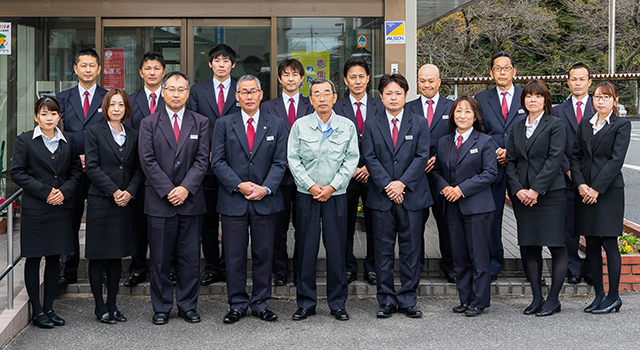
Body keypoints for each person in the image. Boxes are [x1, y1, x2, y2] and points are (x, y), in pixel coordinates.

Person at [211, 75, 288, 324]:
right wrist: (239, 185)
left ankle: (261, 302)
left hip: (265, 200)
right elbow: (218, 161)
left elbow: (280, 162)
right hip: (234, 200)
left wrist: (265, 188)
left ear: (261, 94)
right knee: (233, 254)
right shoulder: (223, 124)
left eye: (253, 91)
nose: (249, 96)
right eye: (244, 92)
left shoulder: (276, 124)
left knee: (264, 253)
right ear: (237, 97)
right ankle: (237, 303)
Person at [138, 72, 210, 325]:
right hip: (160, 202)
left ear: (188, 93)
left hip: (190, 201)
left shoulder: (200, 122)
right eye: (171, 89)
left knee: (190, 258)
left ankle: (188, 305)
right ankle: (161, 306)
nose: (176, 94)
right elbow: (147, 160)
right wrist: (169, 189)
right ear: (163, 92)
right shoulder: (149, 123)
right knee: (159, 259)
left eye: (181, 89)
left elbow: (203, 161)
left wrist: (185, 188)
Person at [287, 78, 359, 321]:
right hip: (307, 195)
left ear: (335, 97)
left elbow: (351, 160)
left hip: (336, 195)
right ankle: (306, 303)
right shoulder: (300, 125)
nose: (322, 98)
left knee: (337, 250)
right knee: (306, 250)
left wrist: (332, 186)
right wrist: (310, 185)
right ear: (310, 100)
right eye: (317, 94)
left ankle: (337, 303)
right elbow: (293, 159)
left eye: (327, 93)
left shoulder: (347, 126)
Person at [362, 73, 431, 319]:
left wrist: (401, 184)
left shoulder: (420, 123)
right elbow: (369, 157)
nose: (393, 97)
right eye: (388, 93)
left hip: (412, 196)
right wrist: (388, 185)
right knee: (382, 250)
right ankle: (386, 300)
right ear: (380, 97)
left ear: (405, 95)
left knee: (411, 250)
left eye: (398, 93)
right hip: (381, 197)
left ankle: (408, 299)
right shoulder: (371, 124)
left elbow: (422, 156)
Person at [11, 97, 82, 328]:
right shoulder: (25, 140)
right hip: (36, 208)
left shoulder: (68, 140)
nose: (48, 118)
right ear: (36, 117)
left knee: (54, 260)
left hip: (60, 207)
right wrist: (46, 192)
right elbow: (18, 173)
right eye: (43, 114)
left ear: (59, 116)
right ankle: (37, 310)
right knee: (33, 258)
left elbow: (75, 173)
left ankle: (49, 307)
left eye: (53, 114)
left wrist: (64, 192)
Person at [505, 80, 567, 316]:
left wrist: (536, 190)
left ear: (545, 100)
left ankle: (553, 299)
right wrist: (519, 189)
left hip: (550, 195)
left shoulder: (556, 125)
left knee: (556, 245)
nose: (533, 100)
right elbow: (511, 161)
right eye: (528, 96)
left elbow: (554, 160)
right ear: (523, 101)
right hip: (522, 196)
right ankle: (536, 297)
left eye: (538, 96)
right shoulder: (517, 127)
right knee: (529, 246)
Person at [432, 95, 498, 317]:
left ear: (476, 116)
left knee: (478, 256)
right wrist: (446, 188)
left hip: (477, 208)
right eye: (458, 111)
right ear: (452, 115)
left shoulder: (485, 141)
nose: (462, 116)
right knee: (459, 256)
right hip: (452, 206)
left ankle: (479, 301)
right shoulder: (444, 142)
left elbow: (490, 173)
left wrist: (461, 189)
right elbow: (437, 171)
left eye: (468, 111)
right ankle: (465, 298)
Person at [570, 81, 631, 314]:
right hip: (585, 192)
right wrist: (581, 185)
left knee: (608, 242)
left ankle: (614, 297)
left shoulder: (621, 125)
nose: (600, 101)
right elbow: (575, 156)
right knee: (592, 244)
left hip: (608, 193)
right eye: (597, 97)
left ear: (615, 101)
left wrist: (596, 189)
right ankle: (599, 296)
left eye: (606, 97)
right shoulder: (585, 123)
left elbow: (616, 161)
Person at [84, 89, 143, 323]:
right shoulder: (93, 132)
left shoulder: (134, 134)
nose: (116, 109)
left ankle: (113, 304)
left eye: (121, 105)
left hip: (124, 203)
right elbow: (92, 166)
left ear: (126, 108)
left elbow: (138, 169)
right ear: (105, 108)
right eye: (112, 105)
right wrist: (115, 191)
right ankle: (100, 306)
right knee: (98, 256)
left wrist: (129, 192)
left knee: (117, 256)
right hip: (102, 201)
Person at [188, 44, 240, 286]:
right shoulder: (198, 91)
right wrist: (205, 151)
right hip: (206, 166)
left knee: (232, 220)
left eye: (226, 60)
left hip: (235, 166)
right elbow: (195, 124)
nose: (221, 64)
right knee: (207, 221)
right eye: (217, 60)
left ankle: (230, 267)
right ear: (210, 64)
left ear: (233, 64)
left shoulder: (243, 90)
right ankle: (211, 267)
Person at [55, 49, 108, 288]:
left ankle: (103, 268)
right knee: (69, 221)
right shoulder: (62, 98)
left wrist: (93, 158)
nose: (87, 70)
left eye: (92, 66)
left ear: (99, 69)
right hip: (71, 170)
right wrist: (76, 157)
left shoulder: (108, 98)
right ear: (75, 69)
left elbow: (114, 133)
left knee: (100, 222)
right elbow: (57, 133)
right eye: (83, 65)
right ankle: (68, 271)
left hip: (100, 171)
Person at [261, 58, 314, 286]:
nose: (290, 78)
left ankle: (302, 271)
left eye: (295, 74)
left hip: (306, 177)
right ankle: (280, 271)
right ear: (279, 78)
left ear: (302, 79)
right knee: (278, 228)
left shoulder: (311, 105)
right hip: (278, 177)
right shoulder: (267, 107)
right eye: (286, 74)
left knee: (304, 228)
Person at [474, 52, 526, 281]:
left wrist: (511, 152)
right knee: (492, 217)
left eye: (507, 68)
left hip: (521, 167)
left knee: (526, 218)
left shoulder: (527, 96)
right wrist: (496, 151)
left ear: (514, 72)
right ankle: (494, 264)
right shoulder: (481, 99)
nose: (502, 72)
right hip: (492, 165)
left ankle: (530, 265)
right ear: (491, 73)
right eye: (498, 68)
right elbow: (479, 130)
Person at [332, 58, 384, 285]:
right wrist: (352, 168)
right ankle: (347, 267)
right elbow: (333, 143)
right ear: (345, 81)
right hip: (347, 176)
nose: (357, 81)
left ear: (368, 78)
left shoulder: (380, 106)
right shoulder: (337, 108)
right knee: (345, 224)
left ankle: (373, 267)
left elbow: (385, 143)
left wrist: (369, 168)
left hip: (374, 176)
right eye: (352, 77)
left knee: (375, 224)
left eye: (361, 76)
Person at [406, 63, 455, 282]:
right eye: (422, 80)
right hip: (416, 177)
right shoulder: (408, 108)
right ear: (417, 82)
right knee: (414, 225)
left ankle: (450, 266)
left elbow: (457, 139)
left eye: (431, 80)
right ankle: (417, 266)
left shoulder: (453, 107)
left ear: (439, 81)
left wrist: (439, 158)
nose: (427, 84)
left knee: (446, 223)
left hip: (443, 175)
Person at [124, 51, 167, 288]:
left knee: (166, 226)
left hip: (169, 174)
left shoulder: (173, 99)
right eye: (147, 69)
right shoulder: (130, 100)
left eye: (156, 68)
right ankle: (138, 268)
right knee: (138, 224)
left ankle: (167, 268)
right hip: (139, 172)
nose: (152, 73)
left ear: (163, 72)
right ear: (141, 73)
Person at [553, 63, 594, 285]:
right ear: (567, 82)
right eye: (573, 79)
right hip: (567, 177)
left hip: (593, 180)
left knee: (592, 227)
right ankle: (573, 267)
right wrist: (569, 171)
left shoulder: (599, 108)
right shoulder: (558, 111)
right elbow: (556, 147)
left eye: (582, 79)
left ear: (589, 82)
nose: (577, 83)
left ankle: (591, 268)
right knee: (569, 228)